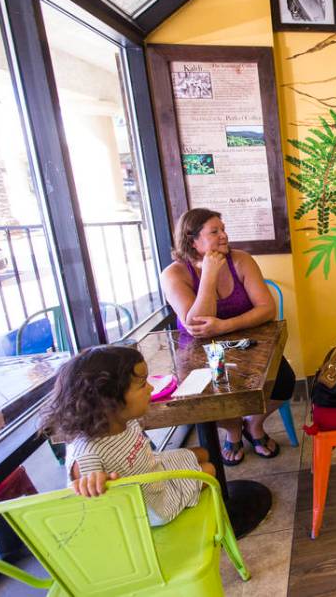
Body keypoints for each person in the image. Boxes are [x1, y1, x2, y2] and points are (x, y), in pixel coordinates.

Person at [161, 208, 296, 465]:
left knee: (284, 383)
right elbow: (197, 323)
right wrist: (209, 274)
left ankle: (253, 425)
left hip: (249, 346)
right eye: (215, 231)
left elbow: (266, 308)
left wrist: (224, 326)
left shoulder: (241, 260)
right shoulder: (174, 274)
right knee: (208, 399)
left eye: (223, 229)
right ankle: (232, 431)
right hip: (198, 353)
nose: (224, 235)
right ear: (192, 241)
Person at [39, 346, 215, 526]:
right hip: (152, 504)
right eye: (142, 384)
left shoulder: (123, 419)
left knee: (203, 453)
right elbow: (91, 506)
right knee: (209, 470)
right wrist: (94, 484)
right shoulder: (87, 457)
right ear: (109, 400)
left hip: (152, 468)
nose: (151, 388)